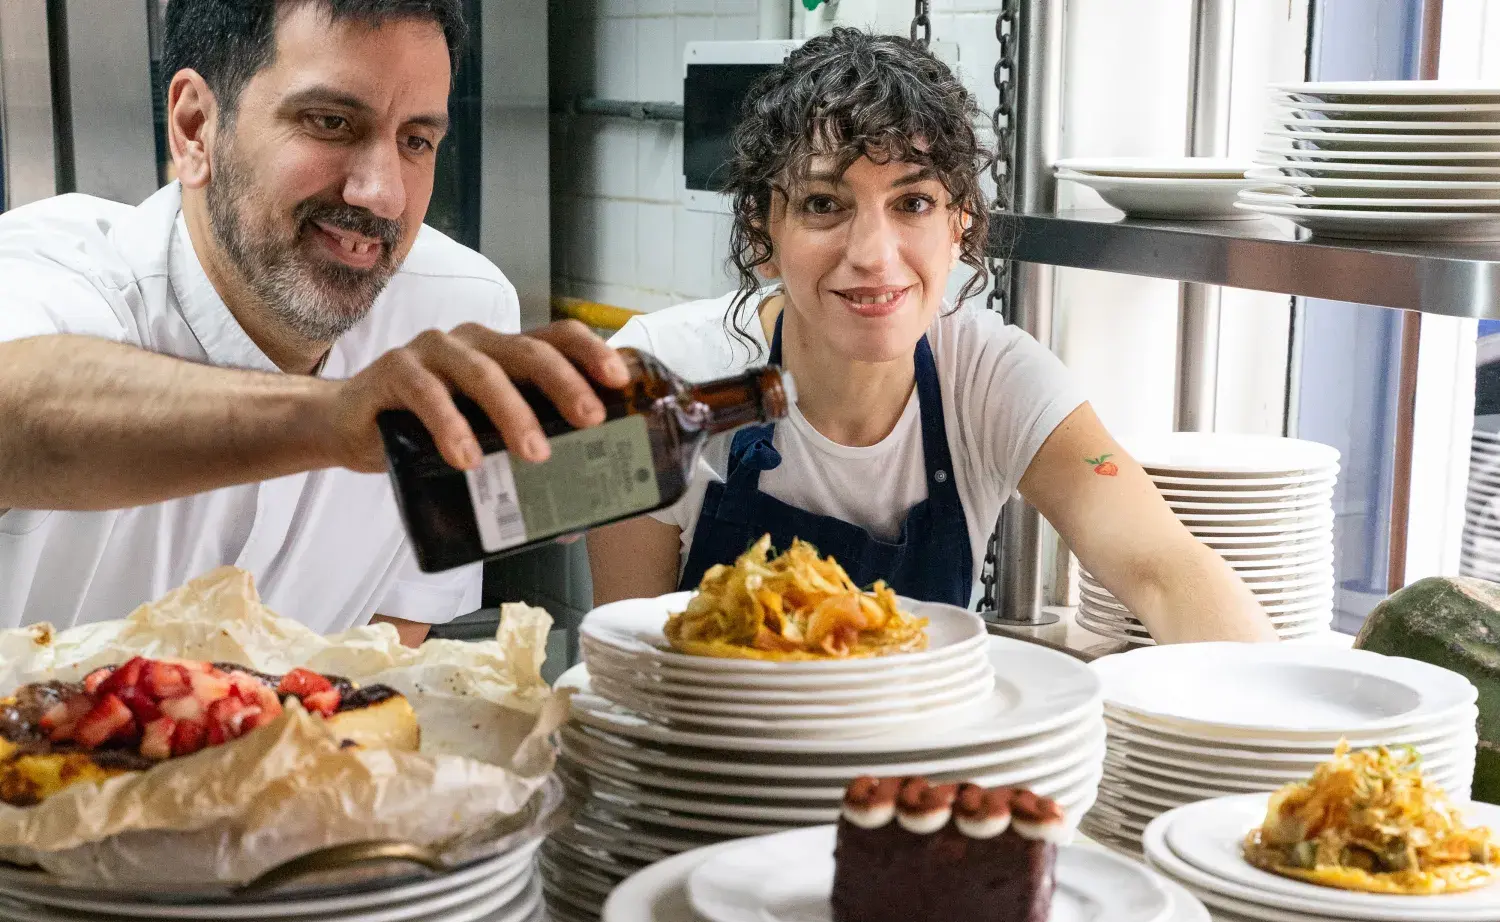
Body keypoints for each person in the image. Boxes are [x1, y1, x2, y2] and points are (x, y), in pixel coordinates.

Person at [589, 28, 1275, 644]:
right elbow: (625, 655)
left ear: (961, 225)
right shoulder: (667, 377)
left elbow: (1167, 570)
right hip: (707, 769)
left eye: (912, 203)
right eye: (824, 205)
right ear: (762, 234)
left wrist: (1284, 755)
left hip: (915, 774)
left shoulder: (994, 380)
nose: (874, 255)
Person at [0, 0, 626, 644]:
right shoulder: (52, 277)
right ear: (195, 128)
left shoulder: (456, 304)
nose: (382, 194)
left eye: (416, 140)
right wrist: (332, 418)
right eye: (330, 122)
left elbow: (387, 643)